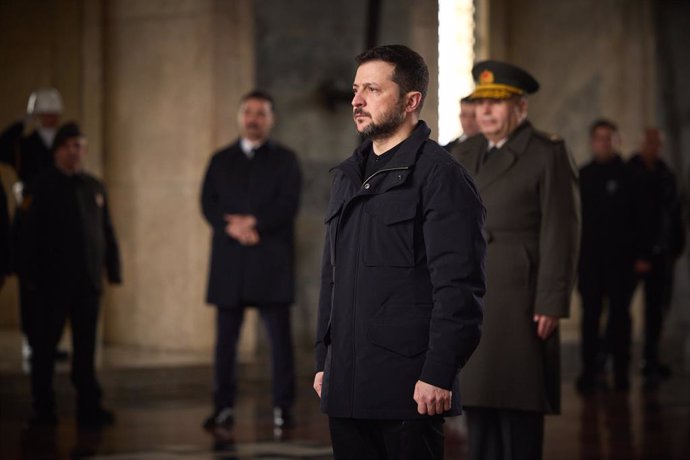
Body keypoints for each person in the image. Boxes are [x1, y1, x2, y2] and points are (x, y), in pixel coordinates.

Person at [314, 44, 486, 460]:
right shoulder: (346, 176)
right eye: (357, 89)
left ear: (411, 101)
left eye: (372, 89)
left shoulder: (441, 177)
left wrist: (438, 373)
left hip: (409, 387)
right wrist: (324, 360)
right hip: (346, 382)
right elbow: (330, 277)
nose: (357, 100)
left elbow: (459, 288)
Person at [449, 60, 580, 460]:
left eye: (498, 102)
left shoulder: (545, 152)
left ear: (520, 108)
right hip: (471, 288)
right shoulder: (462, 151)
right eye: (482, 102)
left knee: (519, 402)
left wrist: (551, 301)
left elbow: (562, 229)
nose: (487, 110)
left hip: (521, 293)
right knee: (477, 401)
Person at [201, 90, 302, 430]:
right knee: (225, 344)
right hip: (230, 262)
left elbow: (289, 203)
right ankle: (222, 406)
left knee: (279, 344)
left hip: (270, 262)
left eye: (261, 113)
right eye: (248, 112)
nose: (254, 118)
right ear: (240, 116)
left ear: (271, 119)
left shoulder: (286, 160)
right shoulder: (220, 159)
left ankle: (283, 407)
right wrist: (232, 226)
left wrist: (255, 223)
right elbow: (207, 202)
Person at [17, 122, 122, 427]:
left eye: (81, 146)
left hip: (87, 283)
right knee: (45, 348)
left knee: (86, 349)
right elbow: (25, 236)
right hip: (50, 285)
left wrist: (113, 268)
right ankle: (43, 407)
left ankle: (89, 405)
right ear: (58, 150)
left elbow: (107, 232)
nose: (77, 152)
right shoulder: (39, 186)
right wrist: (29, 277)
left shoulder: (93, 187)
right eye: (71, 146)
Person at [576, 119, 637, 393]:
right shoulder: (583, 175)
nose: (605, 142)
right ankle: (590, 371)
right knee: (590, 317)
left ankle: (621, 372)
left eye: (609, 137)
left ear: (617, 140)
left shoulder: (629, 175)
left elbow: (640, 220)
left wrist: (640, 256)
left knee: (620, 318)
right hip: (589, 262)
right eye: (600, 138)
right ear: (592, 141)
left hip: (622, 263)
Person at [627, 127, 685, 389]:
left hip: (662, 257)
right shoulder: (629, 173)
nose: (653, 147)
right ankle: (616, 361)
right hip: (633, 258)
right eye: (649, 142)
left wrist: (675, 247)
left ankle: (651, 362)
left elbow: (673, 215)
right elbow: (624, 219)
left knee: (656, 313)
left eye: (657, 143)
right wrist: (638, 254)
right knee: (620, 310)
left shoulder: (666, 174)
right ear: (641, 143)